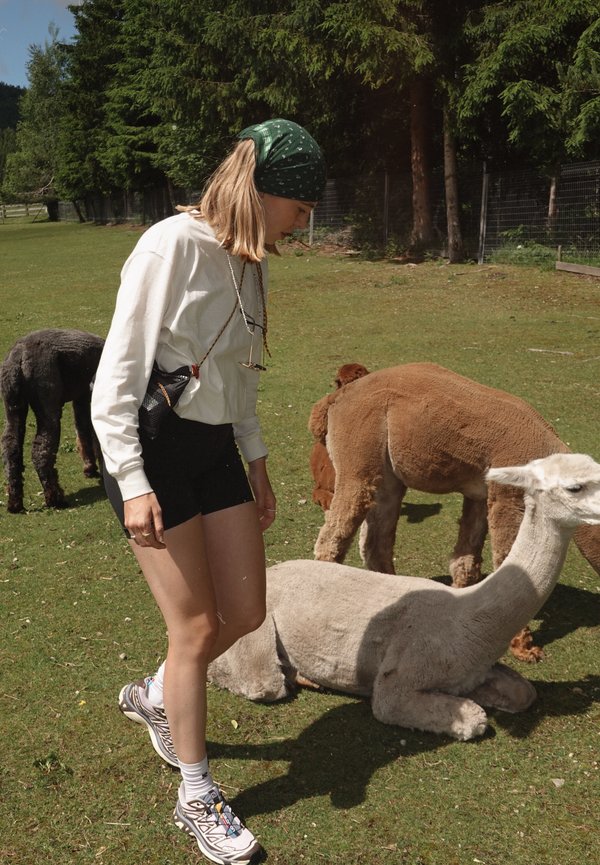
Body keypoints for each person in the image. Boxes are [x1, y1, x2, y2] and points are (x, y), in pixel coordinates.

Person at [91, 118, 326, 865]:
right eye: (301, 206)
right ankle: (197, 793)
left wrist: (256, 460)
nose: (304, 222)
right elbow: (114, 380)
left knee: (247, 610)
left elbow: (237, 376)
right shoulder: (170, 246)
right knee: (194, 628)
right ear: (267, 191)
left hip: (215, 447)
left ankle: (157, 693)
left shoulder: (251, 260)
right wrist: (131, 484)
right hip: (152, 448)